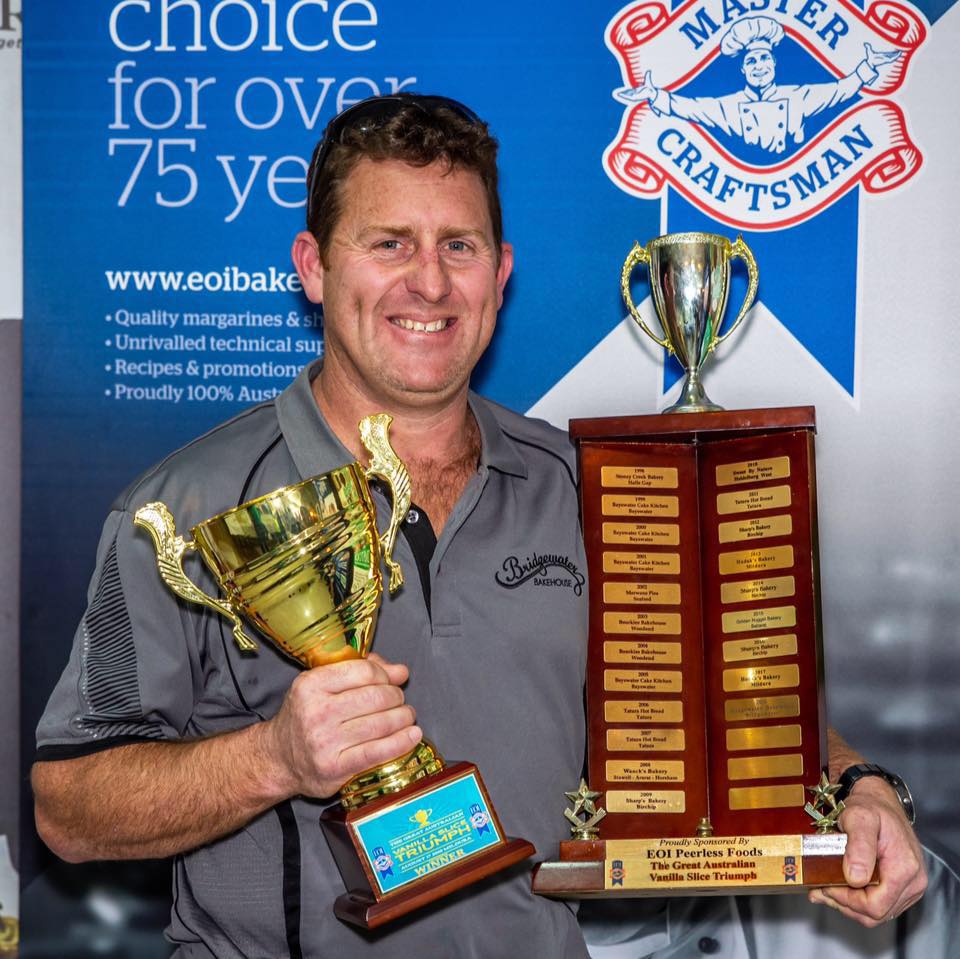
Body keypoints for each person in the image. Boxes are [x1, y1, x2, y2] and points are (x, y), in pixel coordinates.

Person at [32, 94, 925, 958]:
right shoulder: (188, 509)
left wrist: (861, 786)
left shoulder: (591, 486)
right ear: (314, 267)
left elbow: (725, 703)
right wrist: (274, 758)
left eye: (458, 246)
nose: (429, 281)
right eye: (389, 243)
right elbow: (67, 805)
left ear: (499, 275)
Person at [614, 16, 902, 154]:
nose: (759, 66)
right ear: (743, 69)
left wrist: (870, 66)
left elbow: (841, 90)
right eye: (751, 61)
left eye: (764, 58)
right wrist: (653, 94)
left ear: (774, 63)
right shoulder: (728, 106)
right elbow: (689, 107)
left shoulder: (799, 97)